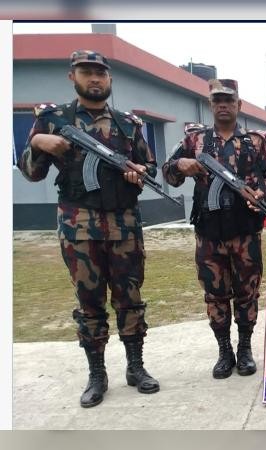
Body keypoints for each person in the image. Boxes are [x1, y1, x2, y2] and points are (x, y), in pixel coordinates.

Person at [17, 50, 160, 407]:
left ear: (109, 78)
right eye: (86, 72)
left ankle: (136, 367)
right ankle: (97, 374)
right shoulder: (53, 120)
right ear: (73, 77)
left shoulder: (128, 124)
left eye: (100, 73)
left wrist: (140, 173)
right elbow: (32, 173)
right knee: (89, 303)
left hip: (124, 225)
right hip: (79, 226)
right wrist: (37, 143)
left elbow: (149, 166)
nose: (95, 79)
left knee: (130, 299)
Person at [163, 79, 266, 379]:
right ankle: (224, 350)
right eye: (217, 101)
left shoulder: (256, 141)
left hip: (245, 233)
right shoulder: (195, 141)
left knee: (247, 293)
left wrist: (260, 192)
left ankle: (245, 348)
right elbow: (168, 173)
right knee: (215, 295)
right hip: (209, 233)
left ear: (239, 105)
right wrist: (181, 165)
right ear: (210, 105)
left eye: (229, 100)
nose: (223, 105)